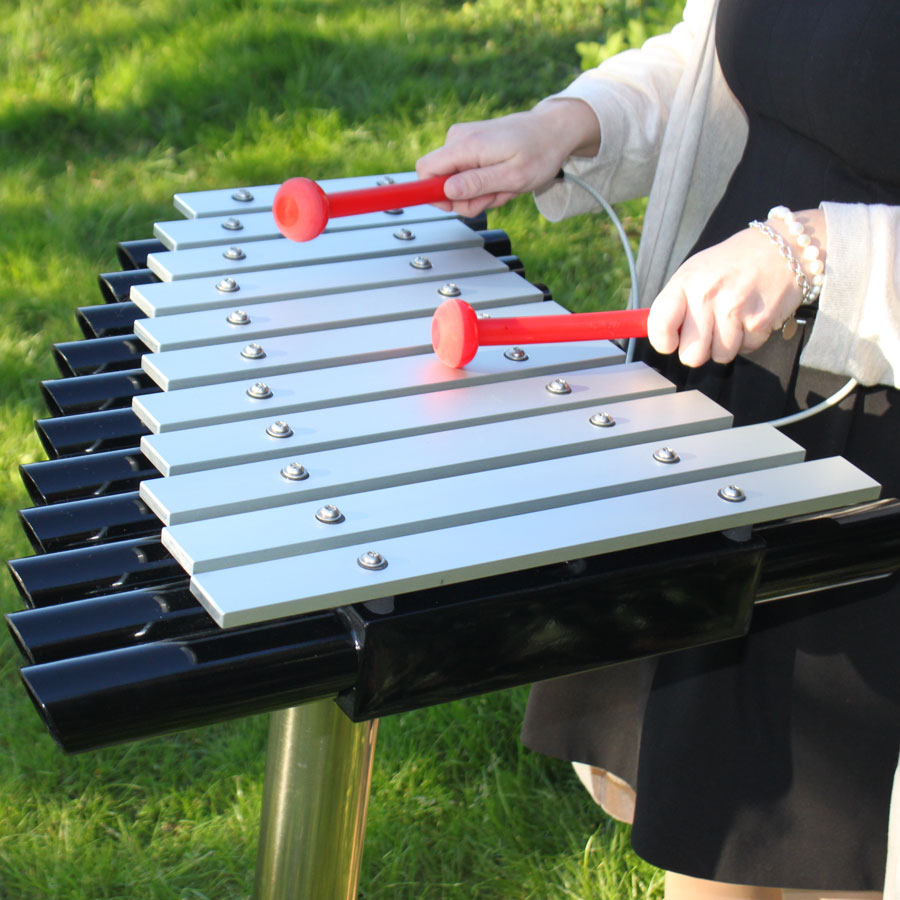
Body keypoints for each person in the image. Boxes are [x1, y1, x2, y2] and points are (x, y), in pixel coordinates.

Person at [416, 1, 900, 898]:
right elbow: (724, 59)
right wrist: (570, 122)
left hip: (878, 455)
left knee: (833, 847)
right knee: (711, 833)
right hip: (734, 390)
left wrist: (830, 251)